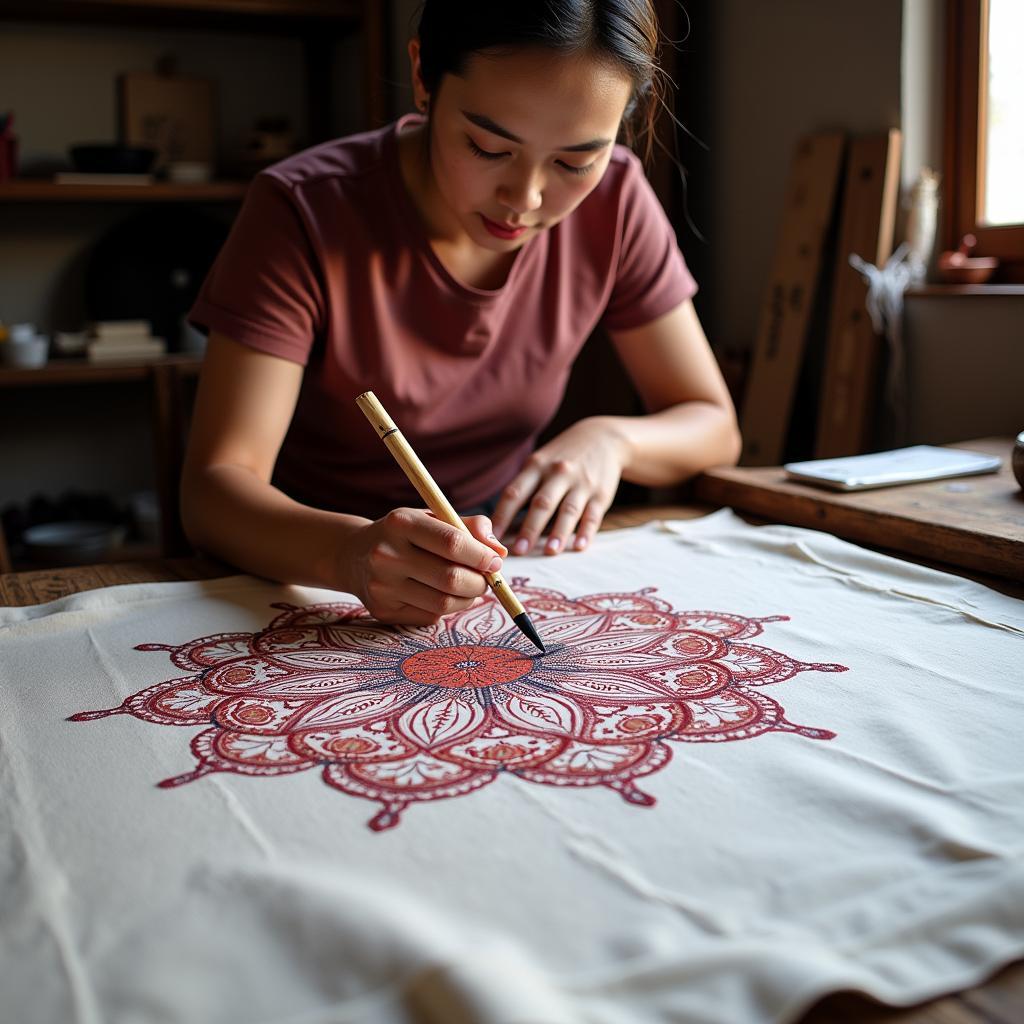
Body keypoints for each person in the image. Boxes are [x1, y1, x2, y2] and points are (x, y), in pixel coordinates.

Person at [181, 0, 741, 628]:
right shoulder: (303, 211)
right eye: (486, 146)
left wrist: (614, 441)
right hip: (304, 575)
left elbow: (713, 424)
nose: (524, 199)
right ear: (423, 75)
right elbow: (214, 490)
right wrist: (348, 554)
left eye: (574, 162)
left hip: (506, 565)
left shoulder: (616, 198)